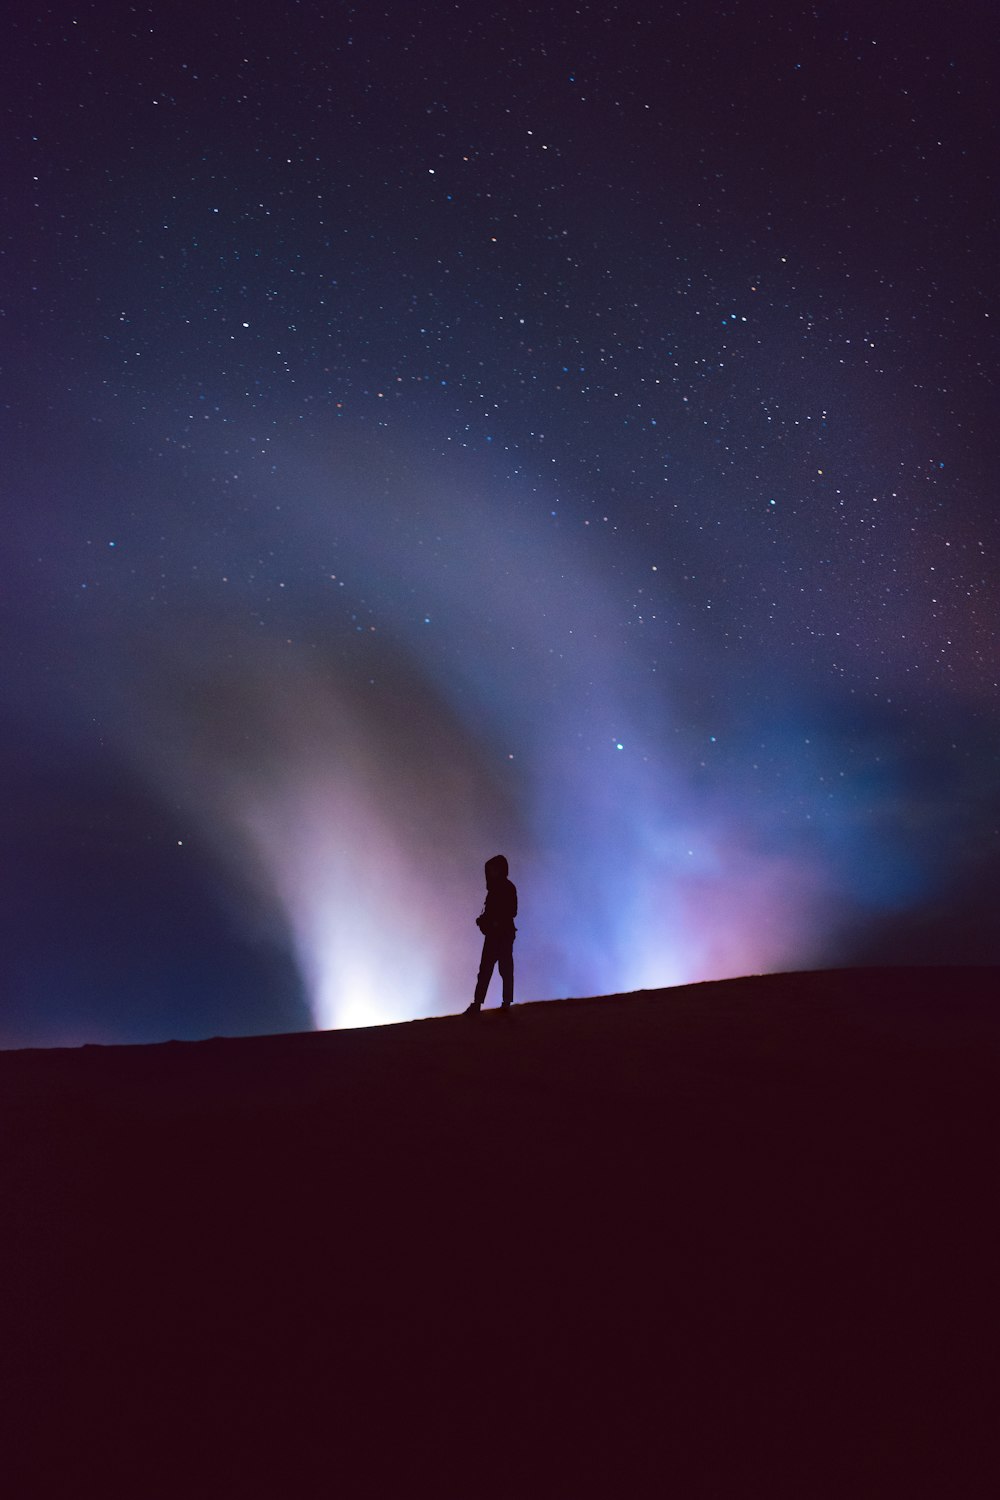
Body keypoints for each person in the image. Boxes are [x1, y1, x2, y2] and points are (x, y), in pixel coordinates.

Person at [465, 855, 517, 1013]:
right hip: (496, 935)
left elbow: (512, 911)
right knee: (486, 969)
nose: (491, 872)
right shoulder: (496, 889)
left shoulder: (506, 888)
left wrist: (494, 922)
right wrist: (485, 921)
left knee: (504, 969)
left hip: (502, 935)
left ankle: (505, 1003)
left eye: (494, 869)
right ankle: (479, 1003)